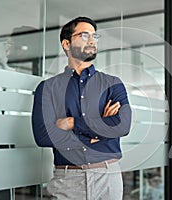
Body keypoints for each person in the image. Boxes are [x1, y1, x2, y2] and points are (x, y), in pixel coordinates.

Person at [32, 16, 132, 199]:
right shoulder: (48, 88)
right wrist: (99, 129)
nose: (92, 40)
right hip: (67, 179)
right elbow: (43, 136)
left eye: (95, 36)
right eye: (85, 35)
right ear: (66, 44)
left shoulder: (113, 84)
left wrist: (71, 122)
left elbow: (121, 126)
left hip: (107, 177)